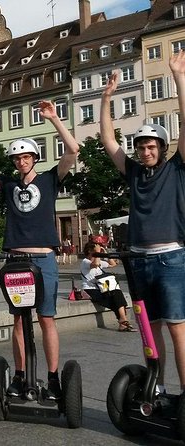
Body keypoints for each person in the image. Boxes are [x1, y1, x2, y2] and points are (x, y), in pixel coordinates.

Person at [0, 100, 80, 400]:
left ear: (34, 158)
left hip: (43, 257)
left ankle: (53, 377)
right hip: (16, 259)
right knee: (18, 318)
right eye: (17, 158)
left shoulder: (50, 179)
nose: (21, 161)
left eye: (26, 156)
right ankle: (19, 376)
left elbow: (73, 150)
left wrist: (55, 118)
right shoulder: (8, 185)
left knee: (46, 318)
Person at [100, 51, 185, 396]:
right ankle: (158, 387)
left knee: (178, 329)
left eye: (151, 146)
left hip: (171, 258)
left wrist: (178, 76)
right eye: (141, 147)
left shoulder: (177, 167)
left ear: (162, 147)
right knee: (151, 331)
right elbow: (108, 141)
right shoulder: (133, 172)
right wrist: (106, 97)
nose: (145, 151)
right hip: (138, 261)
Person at [80, 240, 136, 332]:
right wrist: (98, 254)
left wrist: (105, 253)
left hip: (102, 288)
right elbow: (95, 264)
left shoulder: (99, 260)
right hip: (91, 289)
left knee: (117, 292)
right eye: (96, 249)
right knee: (114, 299)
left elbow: (112, 264)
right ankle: (123, 321)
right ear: (90, 250)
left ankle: (123, 321)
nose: (98, 251)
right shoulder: (85, 262)